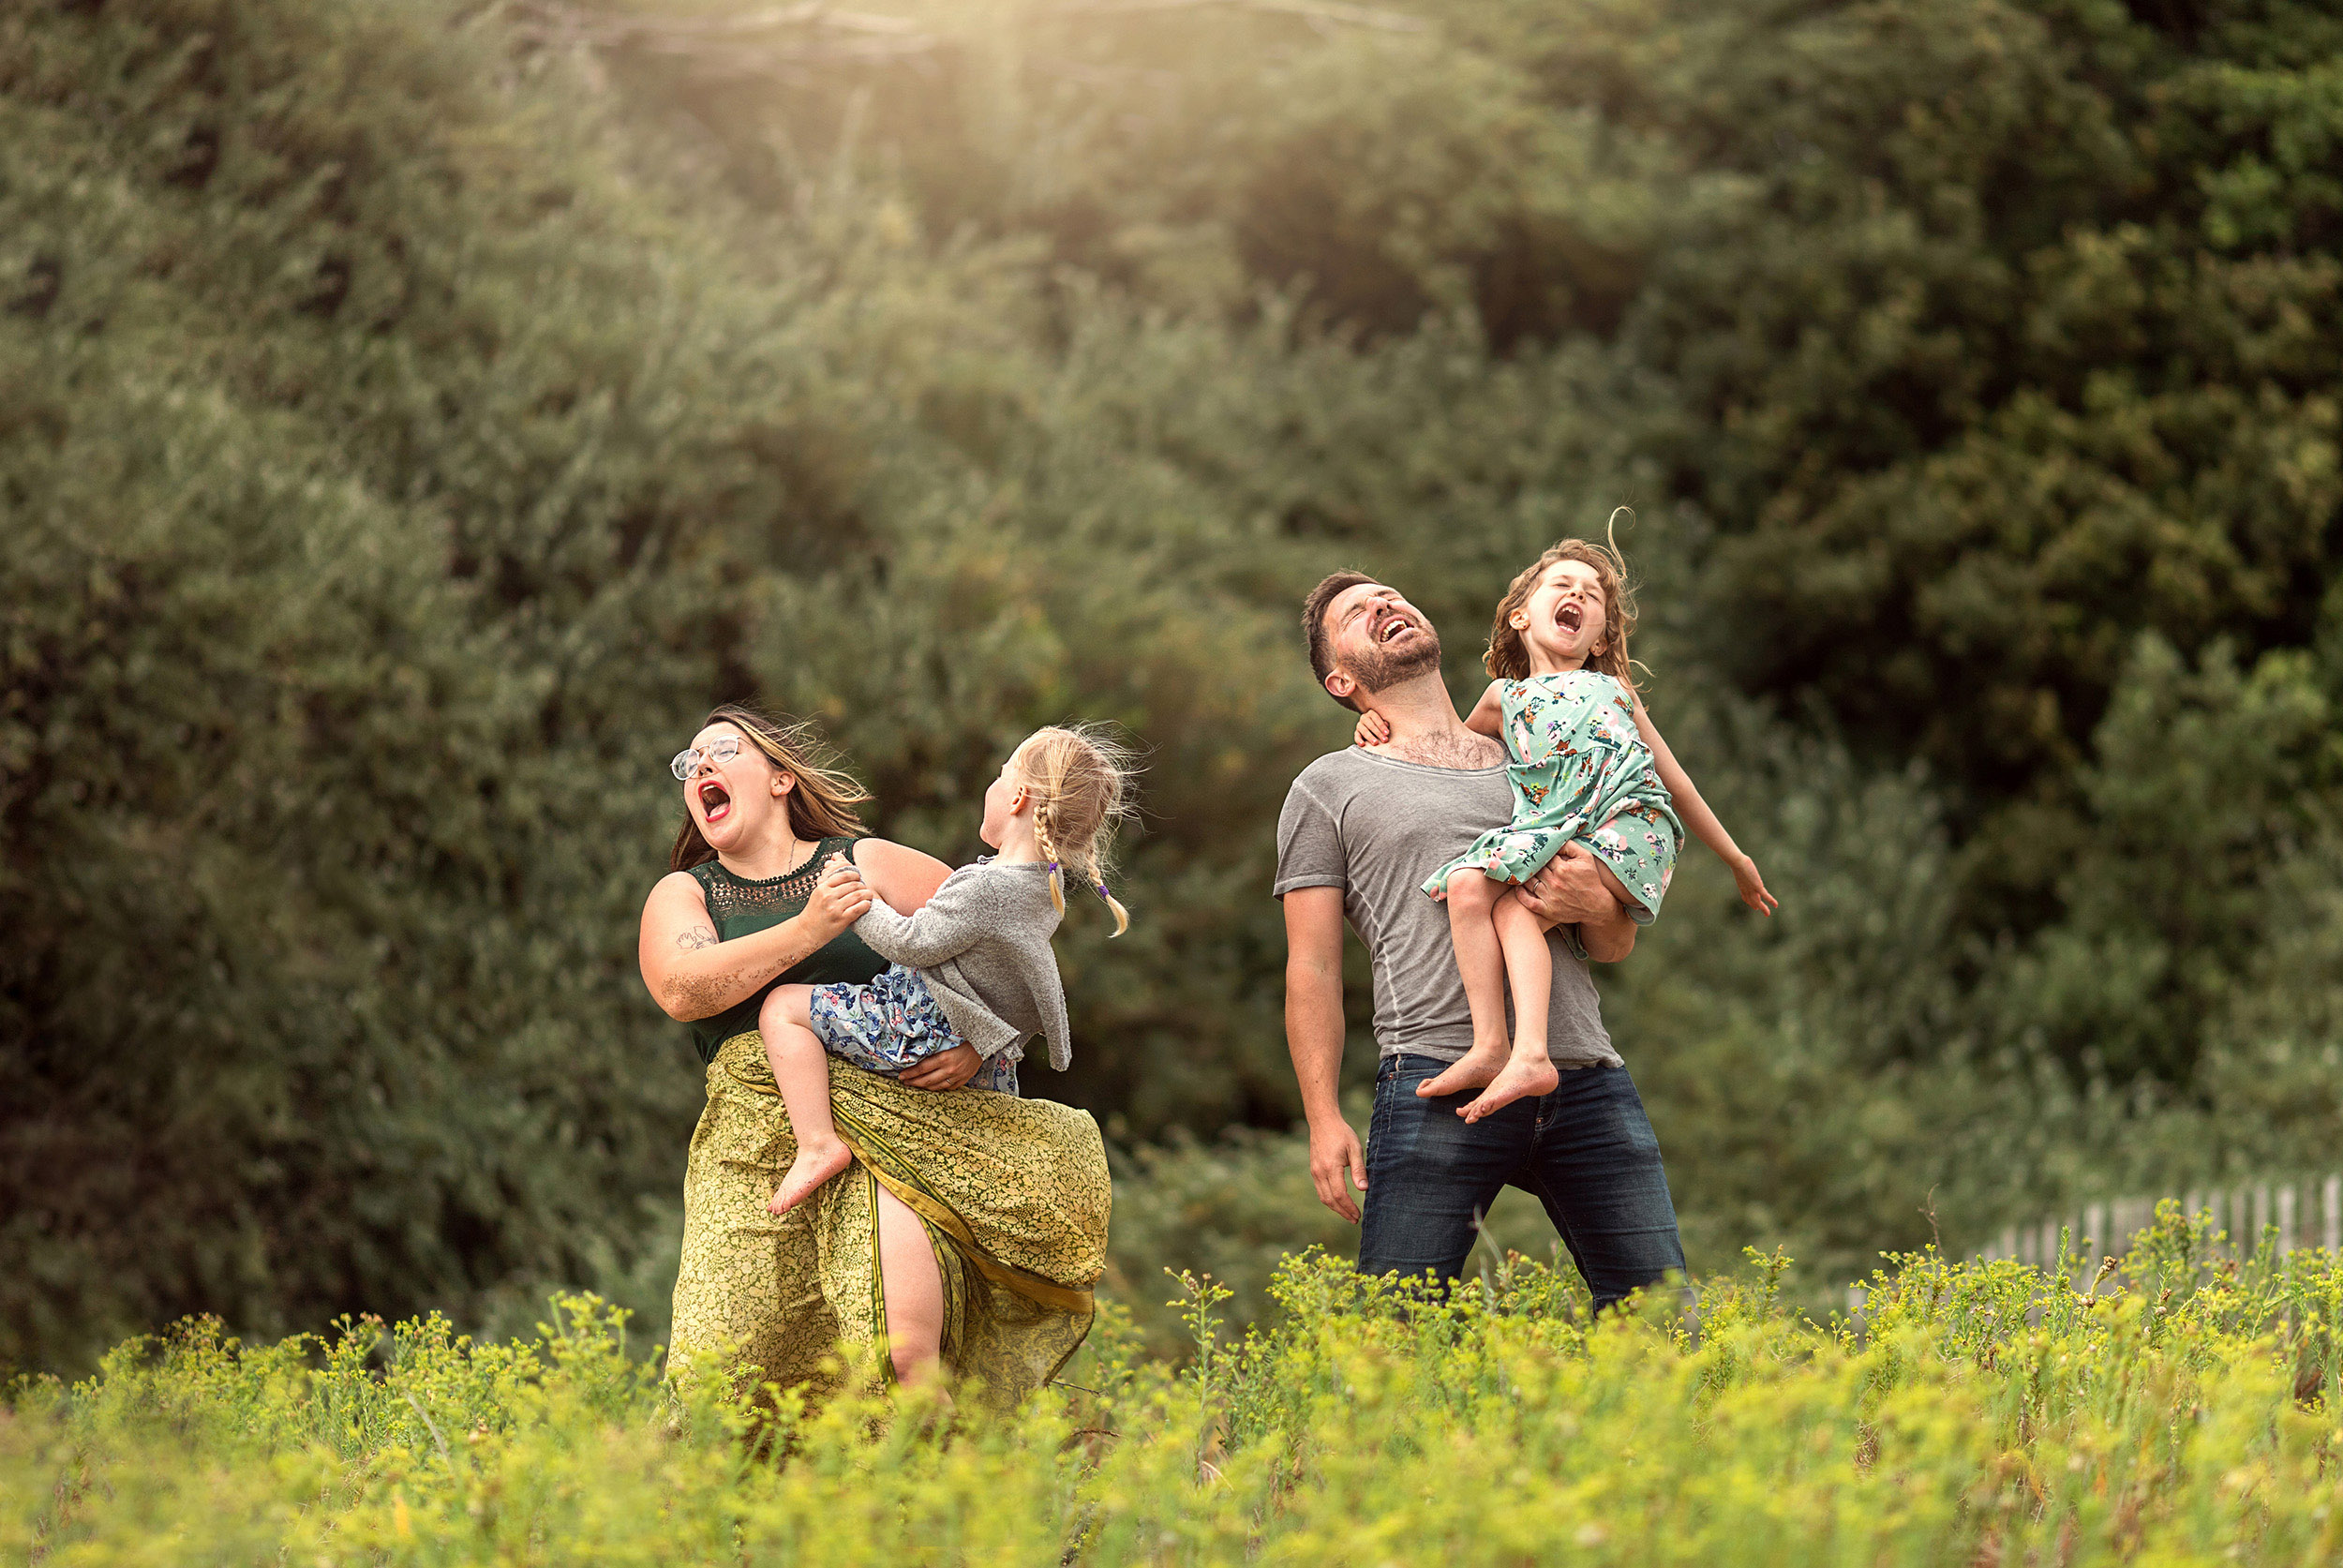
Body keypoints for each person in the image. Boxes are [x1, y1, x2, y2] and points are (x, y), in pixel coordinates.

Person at [640, 706, 1111, 1402]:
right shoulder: (686, 892)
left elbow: (1004, 947)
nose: (701, 765)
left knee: (899, 1363)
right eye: (690, 761)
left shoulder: (866, 861)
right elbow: (683, 988)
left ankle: (942, 1506)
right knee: (726, 1382)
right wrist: (808, 929)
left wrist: (981, 1045)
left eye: (723, 750)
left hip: (900, 1142)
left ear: (778, 778)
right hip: (753, 1162)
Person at [1276, 573, 1687, 1307]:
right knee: (1396, 1340)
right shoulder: (1328, 784)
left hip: (1584, 1075)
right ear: (1341, 680)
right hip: (1438, 1074)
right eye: (1357, 612)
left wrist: (1598, 900)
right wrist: (1322, 1115)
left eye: (1392, 594)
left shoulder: (1534, 756)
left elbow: (1613, 943)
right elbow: (1311, 966)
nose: (1387, 605)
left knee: (1665, 1326)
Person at [1351, 522, 1774, 1122]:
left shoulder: (1612, 689)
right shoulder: (1503, 699)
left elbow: (1674, 778)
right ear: (1521, 616)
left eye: (1592, 594)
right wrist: (1375, 721)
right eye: (1562, 584)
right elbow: (1443, 750)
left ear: (1600, 637)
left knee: (1519, 905)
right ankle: (1501, 1047)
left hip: (1627, 823)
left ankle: (1526, 1052)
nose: (1577, 593)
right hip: (1560, 832)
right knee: (1473, 890)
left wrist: (1735, 857)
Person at [756, 724, 1135, 1217]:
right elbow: (1031, 983)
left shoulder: (986, 890)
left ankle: (816, 1145)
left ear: (1018, 797)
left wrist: (856, 898)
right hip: (977, 1047)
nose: (993, 785)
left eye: (1002, 775)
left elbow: (910, 944)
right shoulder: (1045, 889)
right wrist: (986, 1045)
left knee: (781, 1008)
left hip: (920, 1024)